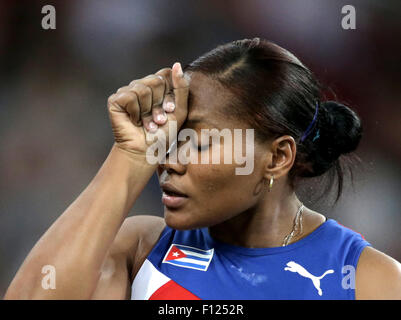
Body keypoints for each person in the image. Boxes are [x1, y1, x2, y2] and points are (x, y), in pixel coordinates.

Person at [5, 38, 401, 300]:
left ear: (278, 157)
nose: (169, 160)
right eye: (171, 137)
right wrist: (128, 156)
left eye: (199, 141)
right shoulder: (140, 250)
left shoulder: (368, 280)